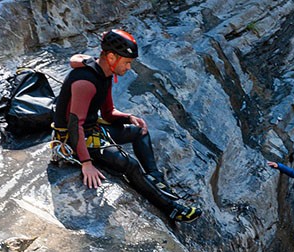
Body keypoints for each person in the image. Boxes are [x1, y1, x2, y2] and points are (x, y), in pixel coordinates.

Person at [50, 29, 200, 223]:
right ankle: (172, 209)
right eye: (127, 62)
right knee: (130, 164)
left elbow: (108, 113)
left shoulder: (105, 75)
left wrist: (129, 118)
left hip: (90, 131)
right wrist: (86, 163)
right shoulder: (85, 82)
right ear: (111, 57)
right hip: (72, 140)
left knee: (139, 131)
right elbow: (74, 124)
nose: (129, 67)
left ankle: (156, 179)